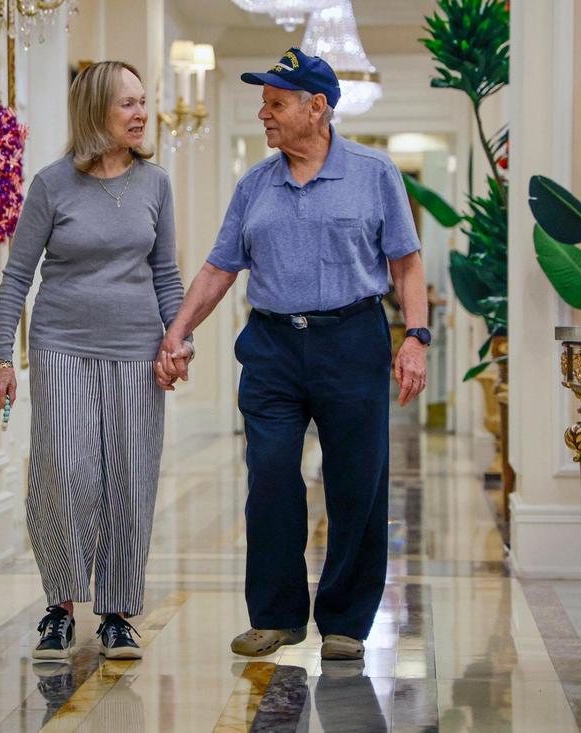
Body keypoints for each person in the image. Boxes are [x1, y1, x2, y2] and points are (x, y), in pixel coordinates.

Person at [155, 48, 429, 661]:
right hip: (274, 345)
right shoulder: (255, 183)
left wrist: (415, 337)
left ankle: (345, 621)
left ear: (317, 108)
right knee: (271, 476)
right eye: (264, 102)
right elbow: (219, 267)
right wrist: (178, 332)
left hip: (352, 339)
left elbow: (407, 264)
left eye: (276, 103)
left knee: (356, 482)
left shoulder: (374, 172)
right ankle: (276, 615)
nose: (264, 114)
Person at [0, 60, 188, 662]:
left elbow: (167, 275)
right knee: (65, 472)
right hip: (61, 345)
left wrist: (179, 341)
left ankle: (119, 613)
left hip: (135, 350)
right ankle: (59, 606)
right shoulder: (52, 185)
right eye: (128, 103)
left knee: (129, 476)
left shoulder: (156, 184)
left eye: (143, 102)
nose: (141, 114)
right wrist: (0, 358)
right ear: (97, 109)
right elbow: (17, 275)